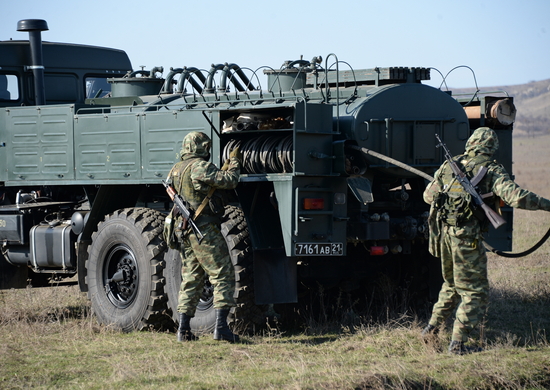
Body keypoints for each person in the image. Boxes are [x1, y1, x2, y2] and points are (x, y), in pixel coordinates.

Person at [422, 127, 550, 355]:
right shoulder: (490, 170)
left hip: (446, 237)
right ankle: (458, 345)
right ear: (492, 149)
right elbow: (517, 197)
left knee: (451, 285)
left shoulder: (451, 166)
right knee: (475, 293)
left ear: (470, 143)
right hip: (467, 240)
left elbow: (427, 196)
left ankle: (430, 331)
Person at [167, 131, 242, 343]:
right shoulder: (199, 166)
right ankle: (221, 329)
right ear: (201, 147)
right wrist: (235, 161)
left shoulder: (176, 169)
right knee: (223, 274)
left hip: (185, 231)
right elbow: (231, 181)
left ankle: (183, 330)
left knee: (191, 278)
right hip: (204, 231)